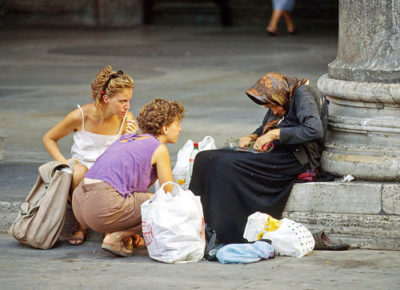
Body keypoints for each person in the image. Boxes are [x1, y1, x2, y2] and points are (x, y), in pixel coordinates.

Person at [189, 72, 324, 244]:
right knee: (204, 158)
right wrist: (252, 137)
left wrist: (275, 134)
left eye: (273, 106)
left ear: (279, 95)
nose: (274, 111)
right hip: (277, 150)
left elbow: (314, 129)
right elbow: (265, 126)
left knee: (225, 164)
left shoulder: (303, 94)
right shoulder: (284, 97)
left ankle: (225, 231)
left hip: (295, 157)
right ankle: (196, 222)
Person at [71, 98, 185, 257]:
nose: (179, 129)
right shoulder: (159, 148)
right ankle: (117, 236)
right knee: (166, 204)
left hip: (80, 205)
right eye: (177, 124)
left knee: (145, 200)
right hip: (102, 206)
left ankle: (123, 233)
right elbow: (168, 192)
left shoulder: (126, 138)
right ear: (165, 128)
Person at [42, 66, 137, 245]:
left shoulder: (127, 118)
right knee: (78, 171)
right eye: (123, 101)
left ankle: (110, 225)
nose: (128, 106)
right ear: (106, 98)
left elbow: (127, 156)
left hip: (109, 170)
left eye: (129, 100)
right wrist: (64, 163)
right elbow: (49, 138)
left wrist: (130, 138)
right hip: (82, 170)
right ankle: (81, 225)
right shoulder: (81, 115)